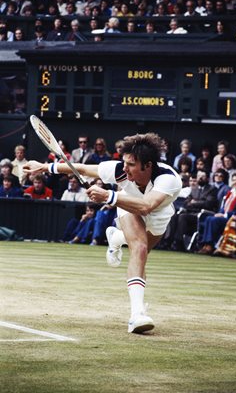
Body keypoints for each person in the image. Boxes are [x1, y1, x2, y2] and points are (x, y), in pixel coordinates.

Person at [23, 132, 182, 334]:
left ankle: (116, 237)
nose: (125, 168)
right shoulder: (119, 170)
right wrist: (45, 167)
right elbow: (81, 168)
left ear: (148, 165)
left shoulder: (168, 179)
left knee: (143, 247)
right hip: (127, 205)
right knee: (139, 249)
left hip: (157, 213)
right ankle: (137, 314)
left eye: (131, 164)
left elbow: (146, 206)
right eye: (124, 162)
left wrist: (108, 195)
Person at [197, 172, 236, 255]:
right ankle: (206, 244)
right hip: (225, 216)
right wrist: (221, 213)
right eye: (233, 180)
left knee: (214, 220)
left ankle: (210, 246)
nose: (235, 182)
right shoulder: (231, 192)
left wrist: (225, 215)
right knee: (208, 218)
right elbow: (224, 207)